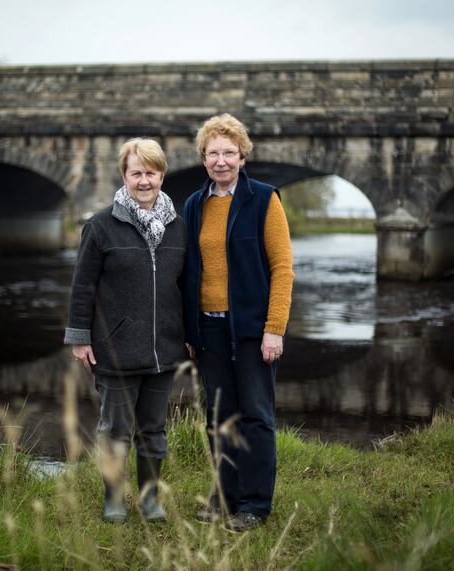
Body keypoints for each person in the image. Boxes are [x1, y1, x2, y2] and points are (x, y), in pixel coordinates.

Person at [64, 138, 186, 523]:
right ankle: (113, 500)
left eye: (151, 173)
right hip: (114, 349)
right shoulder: (100, 226)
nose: (144, 181)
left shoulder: (178, 228)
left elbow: (187, 287)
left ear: (162, 176)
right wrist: (80, 338)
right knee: (115, 431)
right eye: (137, 173)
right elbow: (82, 287)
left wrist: (189, 335)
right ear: (124, 175)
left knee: (154, 432)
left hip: (163, 350)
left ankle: (150, 501)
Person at [183, 113, 294, 532]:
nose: (222, 160)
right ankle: (224, 497)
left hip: (252, 329)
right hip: (209, 329)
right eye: (213, 153)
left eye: (230, 152)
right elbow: (190, 269)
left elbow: (283, 268)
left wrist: (274, 328)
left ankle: (254, 504)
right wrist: (190, 331)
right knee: (218, 417)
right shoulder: (195, 204)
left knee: (256, 416)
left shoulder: (265, 199)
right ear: (203, 159)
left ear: (243, 157)